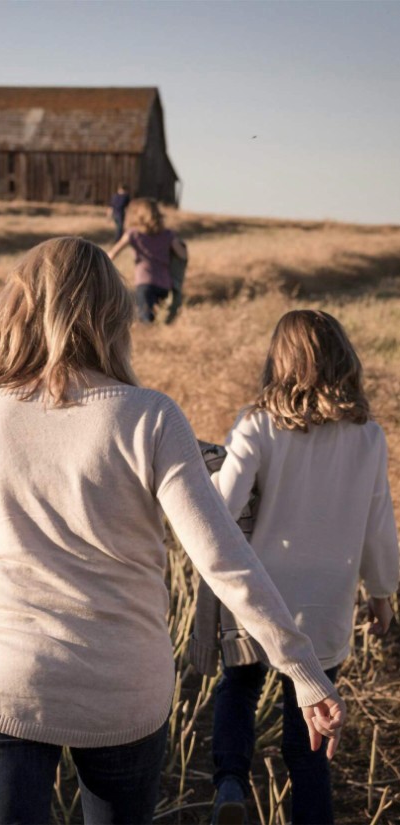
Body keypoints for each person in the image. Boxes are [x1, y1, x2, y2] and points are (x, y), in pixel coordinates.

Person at [0, 237, 344, 825]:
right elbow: (222, 559)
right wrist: (303, 673)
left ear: (19, 307)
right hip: (123, 692)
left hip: (1, 685)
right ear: (114, 313)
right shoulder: (152, 417)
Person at [191, 309, 398, 825]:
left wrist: (206, 466)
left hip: (261, 594)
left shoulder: (258, 423)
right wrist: (382, 591)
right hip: (327, 603)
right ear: (344, 359)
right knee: (310, 736)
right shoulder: (368, 435)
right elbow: (378, 521)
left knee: (238, 689)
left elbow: (222, 503)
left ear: (278, 362)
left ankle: (232, 784)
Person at [108, 197, 187, 324]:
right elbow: (182, 255)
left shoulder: (133, 234)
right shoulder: (168, 234)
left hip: (145, 283)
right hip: (165, 285)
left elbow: (112, 254)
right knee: (161, 322)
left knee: (145, 323)